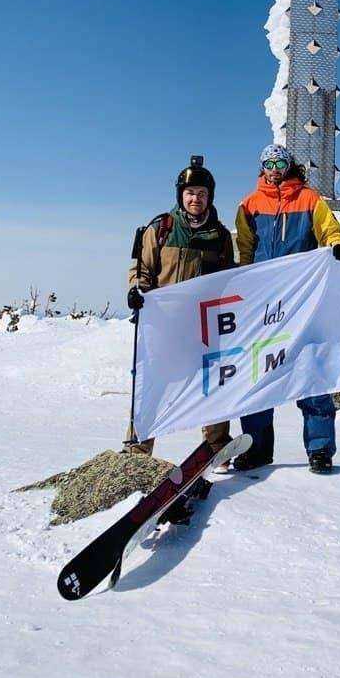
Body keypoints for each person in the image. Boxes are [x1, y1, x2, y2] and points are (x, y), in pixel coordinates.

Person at [233, 143, 340, 474]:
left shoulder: (310, 199)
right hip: (264, 304)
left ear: (289, 164)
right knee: (259, 374)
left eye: (279, 161)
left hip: (301, 301)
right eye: (268, 162)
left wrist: (337, 245)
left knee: (310, 371)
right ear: (261, 166)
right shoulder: (249, 204)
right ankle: (257, 449)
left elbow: (329, 229)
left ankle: (320, 449)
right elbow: (245, 247)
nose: (274, 167)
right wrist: (243, 283)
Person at [126, 155, 235, 457]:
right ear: (181, 196)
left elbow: (229, 279)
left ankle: (216, 446)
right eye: (190, 193)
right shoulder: (161, 228)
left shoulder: (221, 236)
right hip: (164, 324)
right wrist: (137, 291)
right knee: (153, 384)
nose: (195, 199)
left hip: (203, 325)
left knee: (213, 381)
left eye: (201, 193)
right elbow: (142, 269)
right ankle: (139, 446)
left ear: (209, 196)